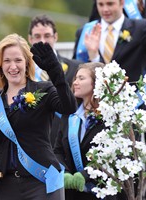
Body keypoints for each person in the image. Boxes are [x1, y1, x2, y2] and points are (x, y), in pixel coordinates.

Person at [72, 0, 146, 199]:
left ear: (122, 2)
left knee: (134, 166)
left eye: (110, 3)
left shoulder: (140, 27)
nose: (105, 9)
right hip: (100, 113)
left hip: (134, 109)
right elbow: (78, 74)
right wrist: (93, 54)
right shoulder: (86, 32)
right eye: (101, 4)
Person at [0, 33, 77, 200]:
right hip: (7, 185)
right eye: (7, 61)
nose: (13, 66)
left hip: (42, 181)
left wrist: (56, 73)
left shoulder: (44, 90)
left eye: (18, 60)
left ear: (27, 62)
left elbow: (69, 107)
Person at [54, 62, 108, 200]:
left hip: (102, 191)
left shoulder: (109, 117)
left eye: (81, 78)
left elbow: (110, 155)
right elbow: (58, 150)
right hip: (72, 191)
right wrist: (64, 172)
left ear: (97, 83)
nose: (75, 82)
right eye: (75, 78)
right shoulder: (70, 114)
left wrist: (85, 175)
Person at [28, 14, 82, 147]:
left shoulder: (74, 67)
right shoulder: (22, 71)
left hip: (67, 137)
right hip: (35, 138)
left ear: (55, 37)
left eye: (47, 36)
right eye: (37, 36)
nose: (42, 41)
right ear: (30, 38)